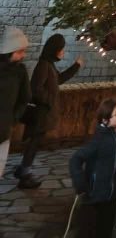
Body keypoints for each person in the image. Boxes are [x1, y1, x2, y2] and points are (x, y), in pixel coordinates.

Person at [15, 33, 83, 186]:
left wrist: (76, 66)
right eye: (61, 49)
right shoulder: (44, 65)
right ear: (54, 49)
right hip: (41, 113)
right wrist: (50, 101)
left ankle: (23, 169)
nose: (62, 52)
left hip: (44, 113)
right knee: (34, 142)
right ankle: (25, 173)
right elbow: (35, 89)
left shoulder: (49, 64)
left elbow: (59, 79)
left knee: (35, 142)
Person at [69, 97, 116, 237]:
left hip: (112, 195)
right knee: (90, 230)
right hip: (95, 195)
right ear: (105, 119)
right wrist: (80, 184)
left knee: (106, 229)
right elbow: (75, 160)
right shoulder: (99, 140)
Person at [0, 27, 31, 182]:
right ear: (9, 50)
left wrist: (13, 119)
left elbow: (25, 98)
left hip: (4, 129)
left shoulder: (20, 71)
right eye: (20, 51)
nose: (23, 55)